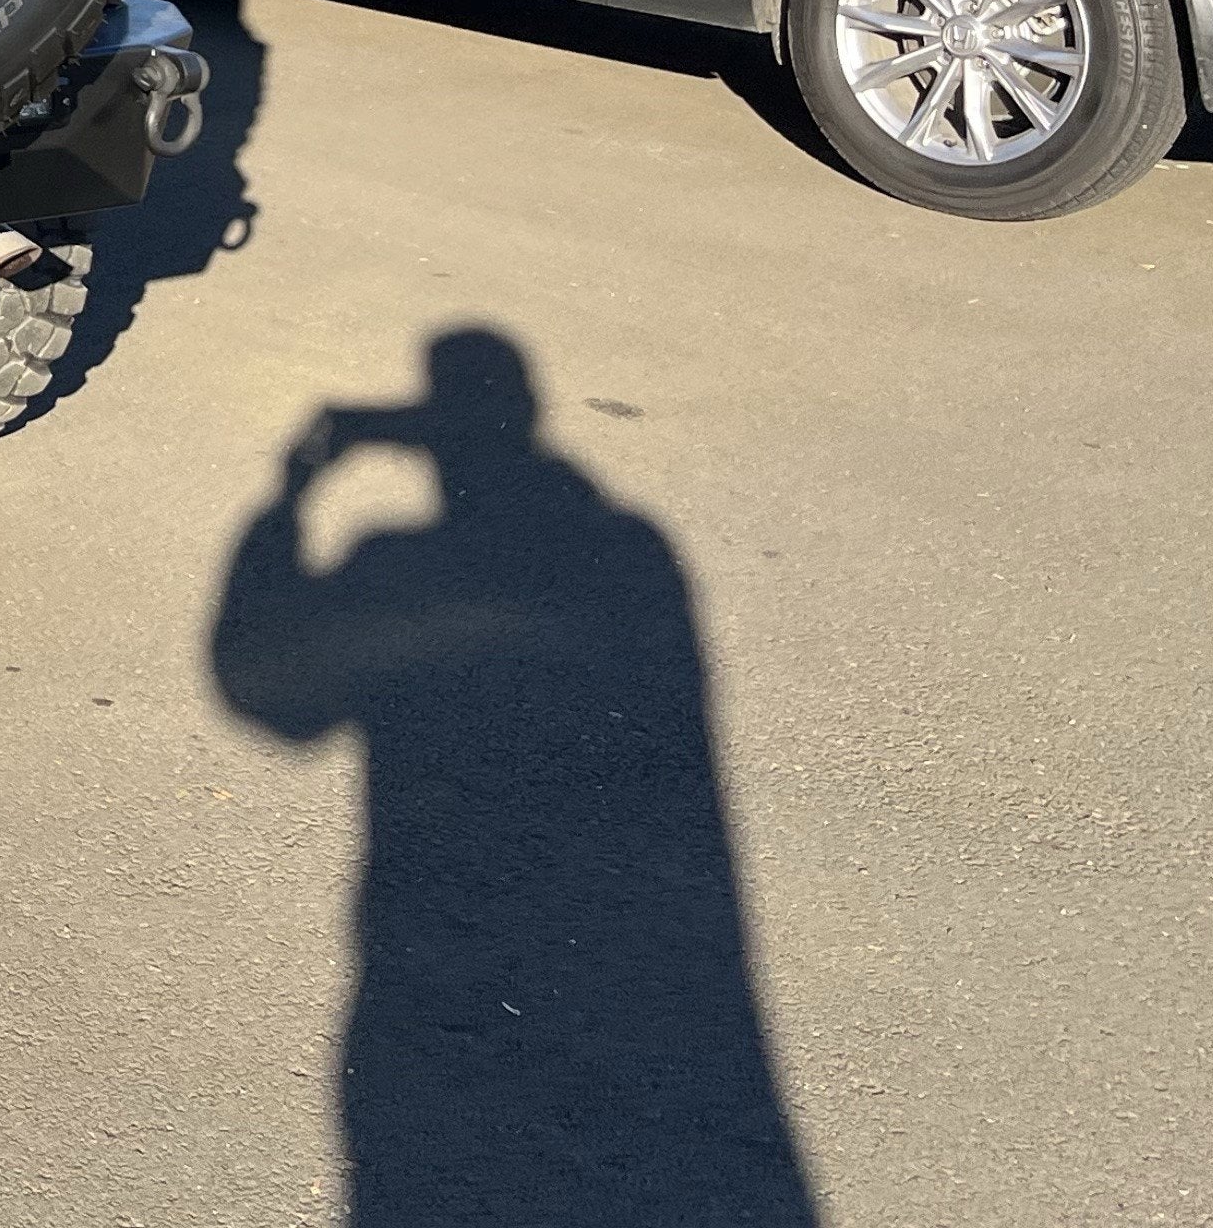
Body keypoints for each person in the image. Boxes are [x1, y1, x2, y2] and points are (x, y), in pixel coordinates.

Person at [213, 327, 817, 1226]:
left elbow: (277, 705)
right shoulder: (633, 546)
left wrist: (288, 498)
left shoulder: (395, 561)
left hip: (441, 945)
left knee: (433, 1141)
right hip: (662, 945)